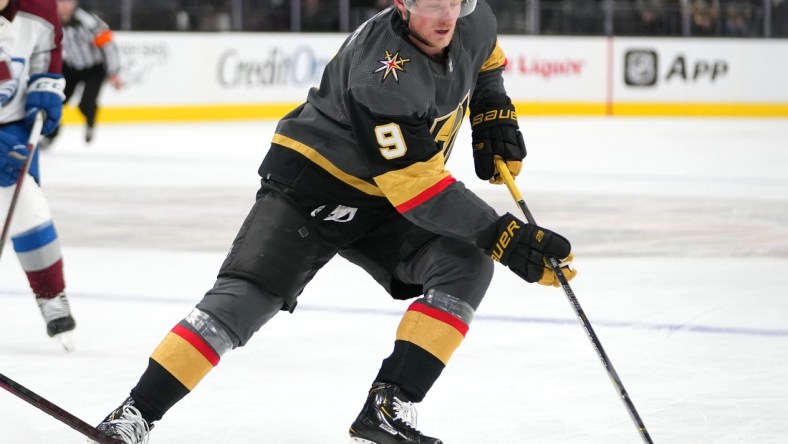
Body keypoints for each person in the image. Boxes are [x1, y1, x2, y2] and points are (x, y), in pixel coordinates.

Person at [94, 1, 576, 443]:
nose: (448, 14)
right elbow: (418, 186)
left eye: (457, 0)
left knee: (464, 264)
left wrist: (492, 108)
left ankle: (390, 405)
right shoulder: (380, 73)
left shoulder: (474, 19)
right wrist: (502, 235)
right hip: (315, 187)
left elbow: (487, 53)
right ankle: (134, 413)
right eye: (433, 2)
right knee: (245, 301)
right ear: (403, 3)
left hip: (387, 196)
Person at [0, 0, 75, 350]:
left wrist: (45, 90)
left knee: (28, 208)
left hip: (11, 126)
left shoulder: (39, 9)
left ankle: (50, 294)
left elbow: (48, 58)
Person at [43, 0, 120, 147]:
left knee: (86, 104)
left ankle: (90, 124)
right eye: (61, 2)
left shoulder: (88, 21)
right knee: (55, 102)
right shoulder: (51, 19)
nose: (64, 6)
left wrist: (113, 72)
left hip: (94, 68)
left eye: (68, 2)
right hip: (71, 66)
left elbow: (108, 45)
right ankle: (51, 134)